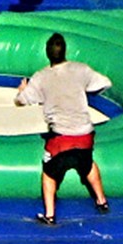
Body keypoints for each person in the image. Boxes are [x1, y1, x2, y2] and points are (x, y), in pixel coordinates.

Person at [16, 33, 111, 226]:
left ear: (47, 54)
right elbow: (105, 83)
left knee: (49, 173)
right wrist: (84, 90)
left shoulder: (41, 77)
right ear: (65, 51)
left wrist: (21, 91)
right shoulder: (81, 70)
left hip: (61, 137)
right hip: (84, 134)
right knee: (88, 164)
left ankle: (50, 214)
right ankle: (102, 201)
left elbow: (21, 101)